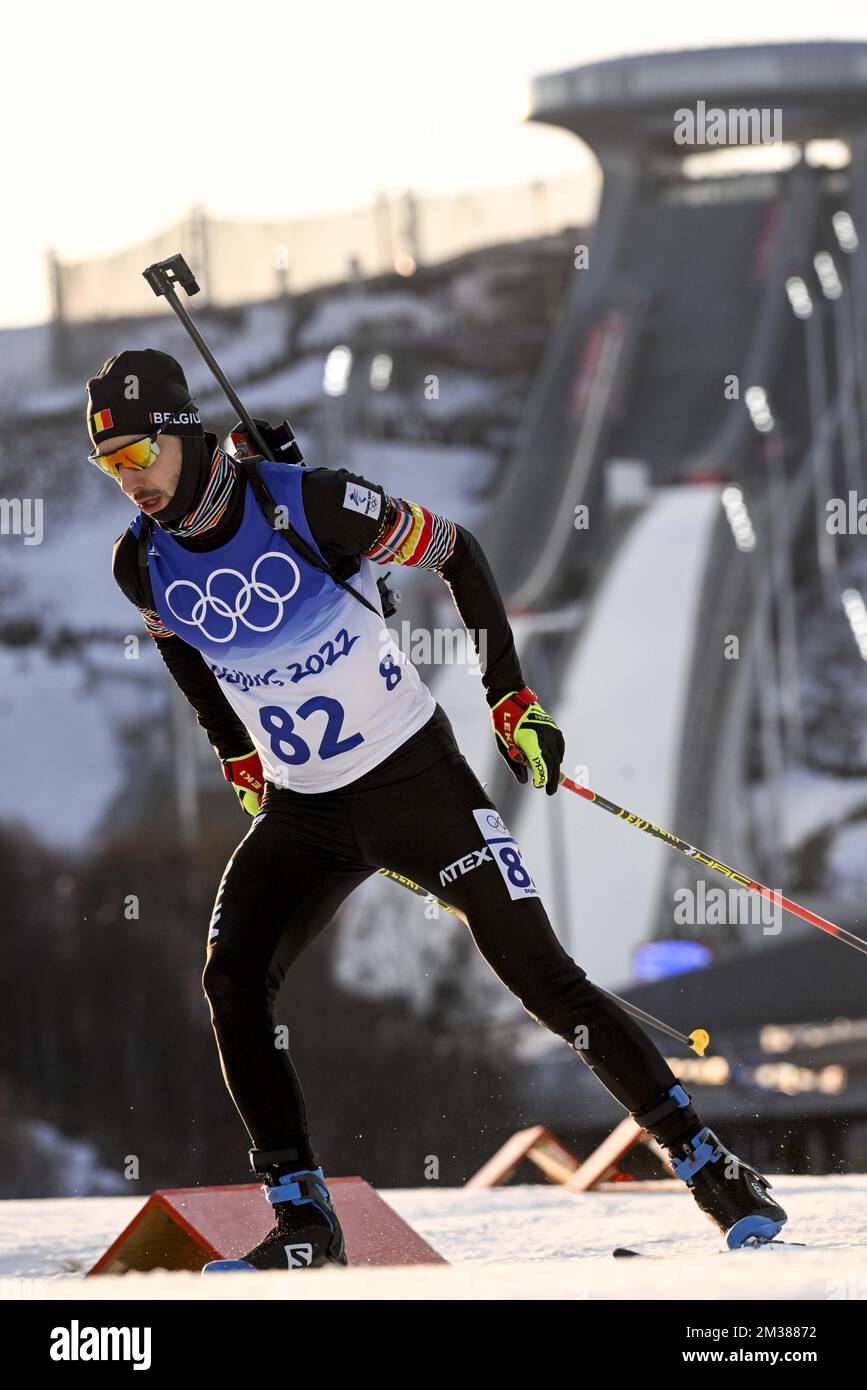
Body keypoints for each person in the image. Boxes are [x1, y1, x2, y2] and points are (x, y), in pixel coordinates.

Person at [86, 348, 788, 1270]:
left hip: (414, 784)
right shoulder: (139, 564)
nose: (127, 480)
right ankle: (303, 1217)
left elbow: (457, 549)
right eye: (109, 466)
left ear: (182, 433)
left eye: (138, 454)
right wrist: (233, 746)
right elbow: (182, 649)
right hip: (305, 811)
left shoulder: (307, 500)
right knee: (231, 980)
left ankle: (705, 1164)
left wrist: (507, 698)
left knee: (544, 980)